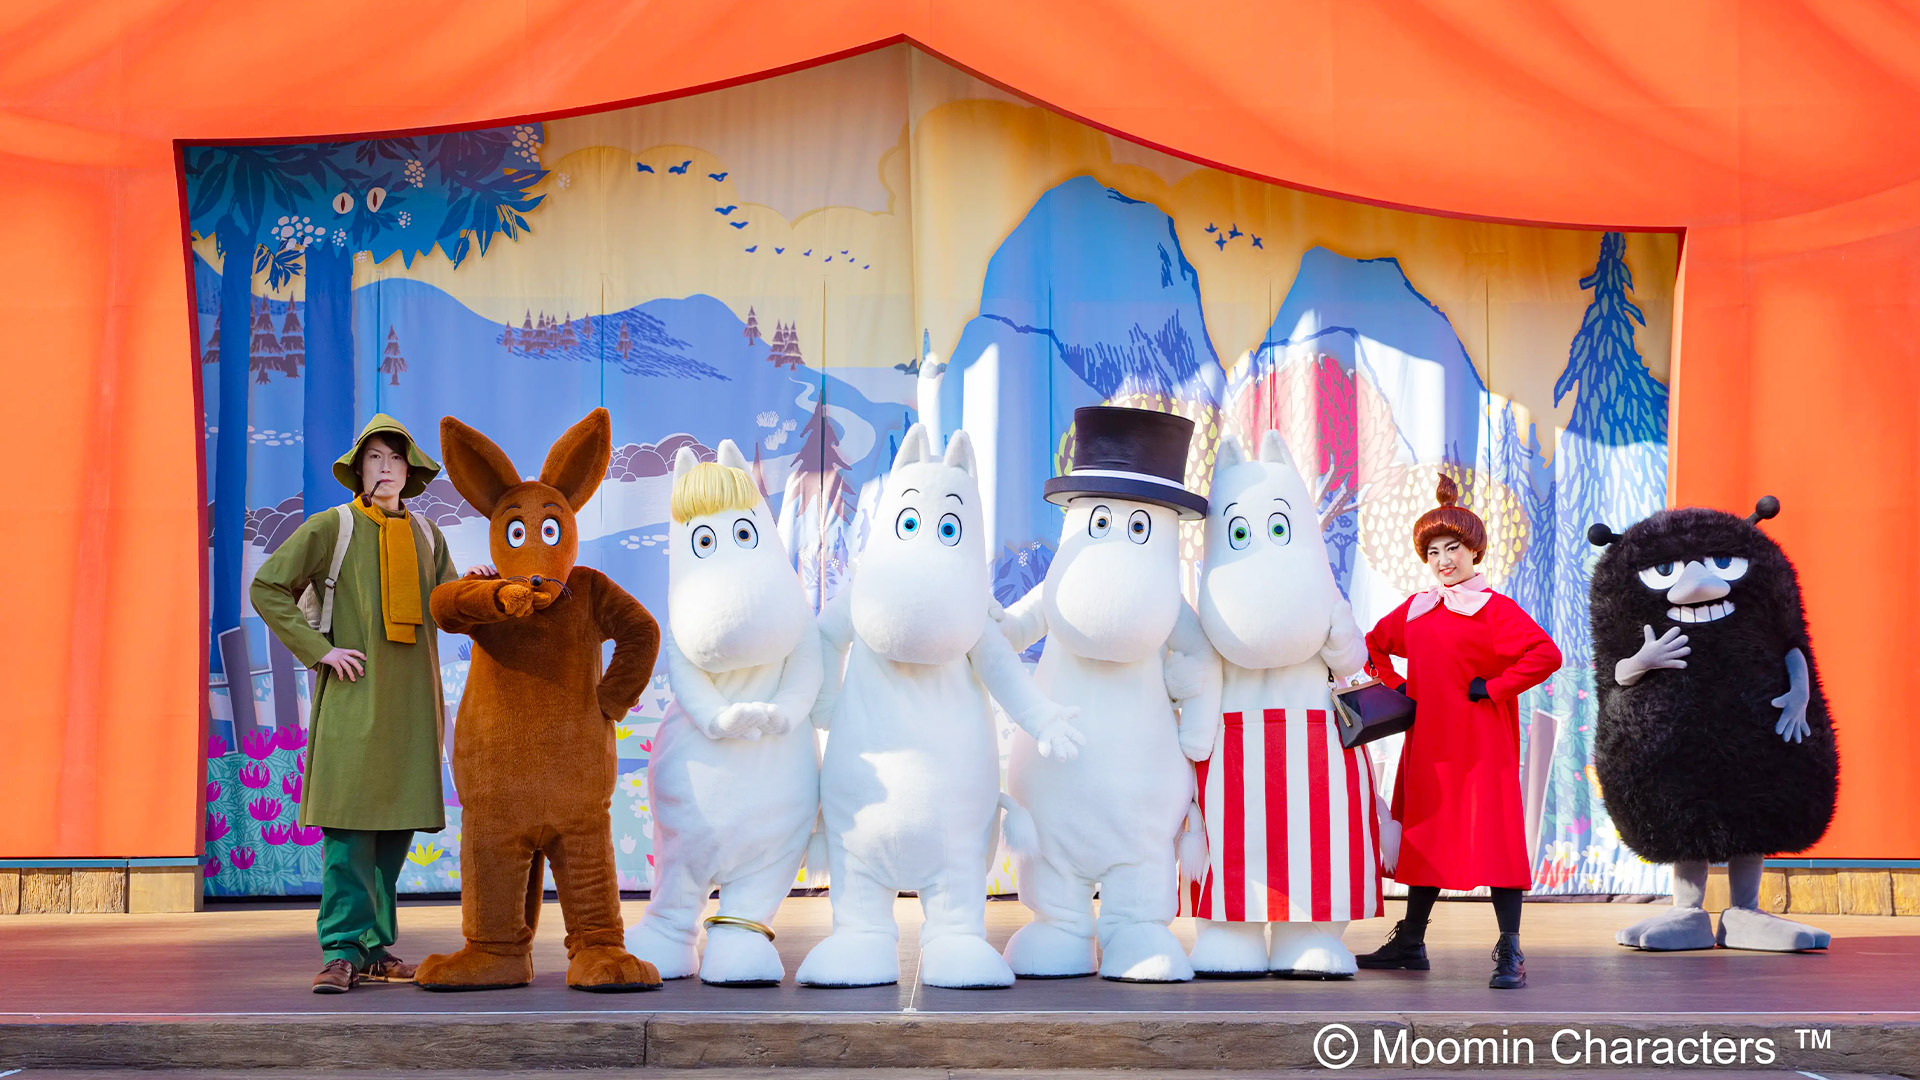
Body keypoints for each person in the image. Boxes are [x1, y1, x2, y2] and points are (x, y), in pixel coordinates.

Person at [250, 415, 457, 993]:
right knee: (348, 833)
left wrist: (479, 586)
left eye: (395, 457)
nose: (385, 467)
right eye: (374, 457)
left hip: (412, 703)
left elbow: (450, 605)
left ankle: (371, 949)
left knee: (393, 833)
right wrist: (320, 650)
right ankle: (340, 949)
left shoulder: (428, 535)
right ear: (359, 469)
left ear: (410, 470)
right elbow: (268, 586)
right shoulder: (332, 526)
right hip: (353, 697)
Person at [1355, 476, 1560, 989]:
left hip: (1482, 747)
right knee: (1426, 839)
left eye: (1453, 548)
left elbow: (1546, 655)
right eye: (1433, 551)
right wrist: (1401, 688)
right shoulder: (1417, 610)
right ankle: (1410, 942)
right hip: (1429, 745)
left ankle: (1510, 950)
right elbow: (1373, 645)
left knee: (1496, 842)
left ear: (1474, 551)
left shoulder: (1493, 609)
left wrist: (1494, 687)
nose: (1443, 560)